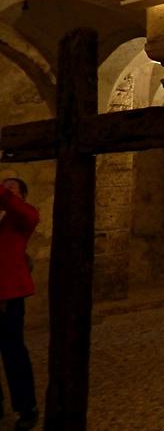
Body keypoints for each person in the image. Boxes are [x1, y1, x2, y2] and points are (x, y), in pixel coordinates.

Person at [0, 177, 40, 429]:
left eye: (12, 187)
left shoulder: (25, 216)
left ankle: (26, 408)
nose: (6, 188)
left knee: (14, 353)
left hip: (9, 296)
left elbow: (16, 207)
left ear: (22, 196)